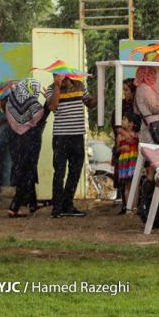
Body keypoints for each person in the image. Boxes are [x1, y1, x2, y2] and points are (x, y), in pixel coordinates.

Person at [46, 74, 96, 218]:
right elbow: (53, 106)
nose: (57, 78)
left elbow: (90, 104)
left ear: (67, 75)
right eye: (55, 76)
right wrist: (56, 87)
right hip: (60, 137)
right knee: (59, 172)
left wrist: (98, 95)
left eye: (59, 76)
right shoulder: (51, 89)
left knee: (75, 172)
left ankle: (67, 204)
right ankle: (56, 208)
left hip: (77, 136)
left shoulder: (79, 85)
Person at [5, 79, 48, 217]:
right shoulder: (32, 104)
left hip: (15, 141)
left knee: (24, 169)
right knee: (28, 172)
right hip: (31, 141)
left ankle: (33, 204)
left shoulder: (11, 102)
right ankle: (15, 206)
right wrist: (47, 100)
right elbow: (41, 117)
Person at [112, 78, 136, 207]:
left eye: (127, 90)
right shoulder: (121, 106)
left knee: (134, 180)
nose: (125, 93)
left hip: (134, 151)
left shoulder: (138, 106)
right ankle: (126, 205)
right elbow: (115, 124)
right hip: (124, 150)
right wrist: (123, 133)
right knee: (125, 180)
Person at [116, 112, 141, 213]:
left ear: (131, 123)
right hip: (125, 161)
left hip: (134, 160)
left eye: (124, 119)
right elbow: (117, 149)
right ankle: (129, 208)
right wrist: (122, 147)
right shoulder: (120, 136)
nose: (122, 121)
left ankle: (135, 207)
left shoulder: (136, 135)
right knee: (127, 185)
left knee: (135, 184)